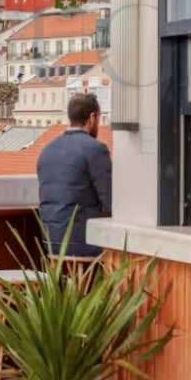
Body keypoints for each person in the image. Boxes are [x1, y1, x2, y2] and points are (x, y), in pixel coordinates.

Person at [36, 93, 112, 257]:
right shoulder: (95, 149)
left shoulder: (47, 150)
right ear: (93, 117)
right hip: (83, 243)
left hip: (50, 242)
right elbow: (110, 200)